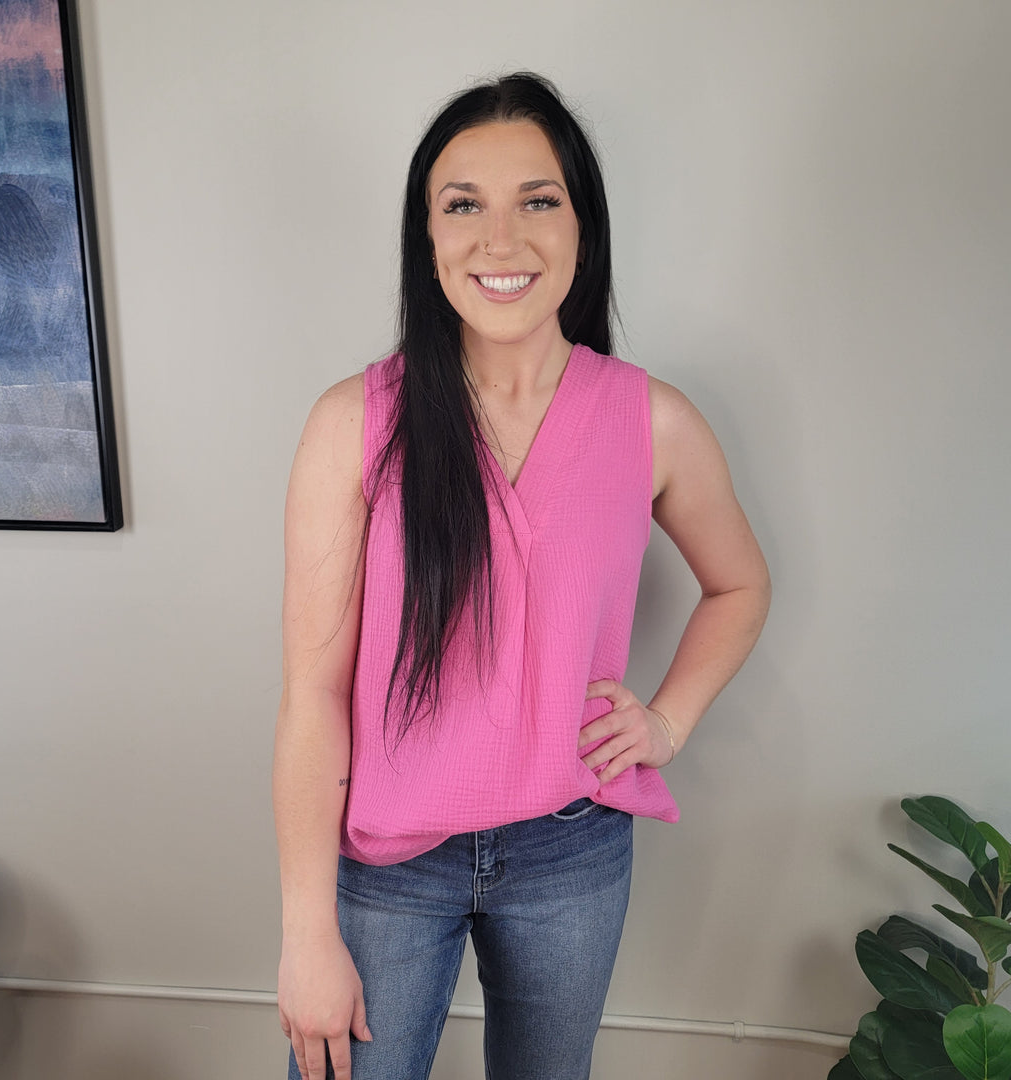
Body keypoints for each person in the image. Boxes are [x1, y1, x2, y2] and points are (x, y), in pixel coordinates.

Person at [273, 72, 770, 1080]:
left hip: (571, 851)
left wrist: (667, 720)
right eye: (464, 206)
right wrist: (305, 932)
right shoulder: (353, 423)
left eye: (538, 200)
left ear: (582, 227)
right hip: (387, 862)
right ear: (428, 237)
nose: (501, 242)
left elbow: (741, 585)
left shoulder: (653, 421)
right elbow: (312, 697)